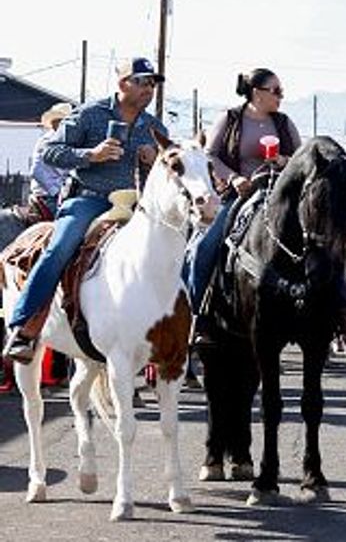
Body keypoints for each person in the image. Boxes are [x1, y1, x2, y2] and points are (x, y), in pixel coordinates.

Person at [3, 58, 169, 363]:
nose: (149, 88)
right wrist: (90, 154)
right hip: (89, 199)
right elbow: (51, 151)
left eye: (153, 83)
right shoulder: (90, 114)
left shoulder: (155, 127)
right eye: (142, 81)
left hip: (136, 204)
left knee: (172, 250)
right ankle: (24, 328)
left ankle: (178, 330)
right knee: (59, 249)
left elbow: (170, 170)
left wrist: (155, 160)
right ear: (122, 84)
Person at [187, 68, 301, 344]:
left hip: (277, 195)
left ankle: (320, 313)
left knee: (315, 244)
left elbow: (301, 158)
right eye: (276, 91)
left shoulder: (284, 123)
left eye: (281, 91)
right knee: (205, 247)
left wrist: (285, 162)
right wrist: (234, 177)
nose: (281, 96)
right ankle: (194, 316)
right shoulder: (230, 119)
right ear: (257, 93)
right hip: (238, 193)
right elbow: (210, 155)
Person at [28, 102, 73, 220]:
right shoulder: (46, 141)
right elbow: (36, 171)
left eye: (60, 121)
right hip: (47, 195)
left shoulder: (69, 142)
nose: (56, 124)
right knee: (65, 221)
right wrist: (56, 191)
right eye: (55, 121)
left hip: (62, 193)